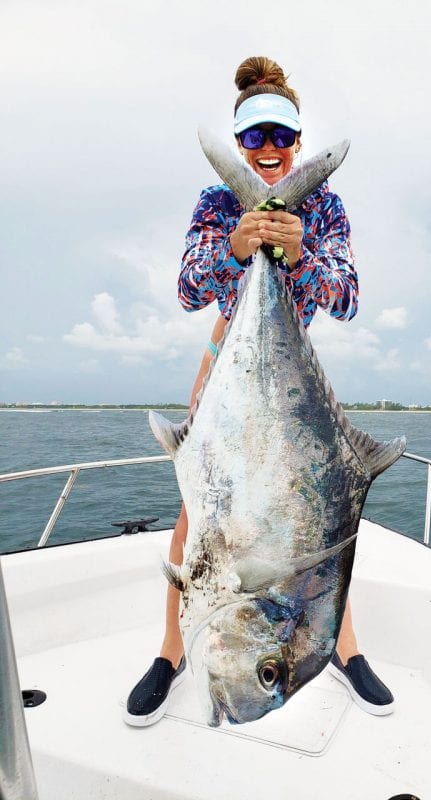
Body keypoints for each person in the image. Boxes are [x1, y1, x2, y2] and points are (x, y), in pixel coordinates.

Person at [124, 56, 394, 727]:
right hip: (228, 353)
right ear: (240, 144)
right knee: (200, 510)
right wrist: (238, 247)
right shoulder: (218, 202)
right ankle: (170, 653)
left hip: (294, 369)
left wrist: (302, 251)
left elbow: (348, 297)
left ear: (298, 144)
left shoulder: (325, 206)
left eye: (280, 138)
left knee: (325, 514)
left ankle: (343, 648)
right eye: (254, 139)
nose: (269, 151)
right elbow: (190, 289)